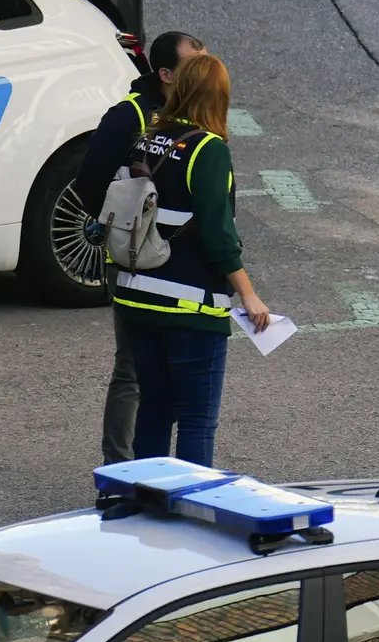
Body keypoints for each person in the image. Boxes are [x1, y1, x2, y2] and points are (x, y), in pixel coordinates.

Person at [111, 53, 273, 465]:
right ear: (218, 97)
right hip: (190, 306)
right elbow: (219, 235)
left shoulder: (147, 137)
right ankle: (188, 512)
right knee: (197, 421)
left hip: (135, 298)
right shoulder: (208, 149)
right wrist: (249, 296)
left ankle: (142, 500)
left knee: (153, 412)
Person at [77, 31, 206, 465]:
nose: (204, 70)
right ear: (166, 74)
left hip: (180, 268)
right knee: (133, 370)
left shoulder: (197, 116)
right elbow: (89, 183)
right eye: (193, 63)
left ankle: (153, 471)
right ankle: (120, 473)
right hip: (136, 261)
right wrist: (124, 231)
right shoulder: (128, 115)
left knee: (172, 373)